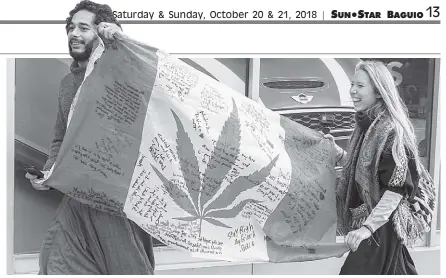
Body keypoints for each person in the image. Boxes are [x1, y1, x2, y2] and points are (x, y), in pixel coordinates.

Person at [24, 0, 155, 274]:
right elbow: (61, 139)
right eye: (71, 28)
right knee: (54, 262)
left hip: (117, 203)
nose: (74, 33)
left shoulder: (125, 74)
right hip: (76, 201)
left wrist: (120, 41)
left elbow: (153, 70)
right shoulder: (68, 84)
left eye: (84, 27)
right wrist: (48, 173)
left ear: (102, 32)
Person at [326, 60, 422, 274]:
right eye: (352, 84)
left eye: (360, 86)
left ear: (379, 92)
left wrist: (367, 229)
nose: (352, 91)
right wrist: (338, 154)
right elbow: (364, 168)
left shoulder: (391, 131)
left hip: (380, 226)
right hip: (375, 225)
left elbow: (396, 188)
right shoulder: (366, 125)